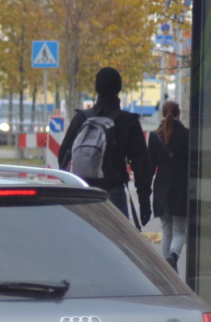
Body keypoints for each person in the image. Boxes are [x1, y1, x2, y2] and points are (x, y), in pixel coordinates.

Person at [58, 67, 152, 224]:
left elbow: (63, 155)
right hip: (113, 192)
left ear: (96, 88)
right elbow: (141, 165)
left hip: (82, 191)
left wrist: (69, 188)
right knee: (116, 243)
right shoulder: (127, 121)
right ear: (119, 88)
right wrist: (144, 202)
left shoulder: (81, 118)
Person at [148, 100, 189, 271]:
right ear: (179, 114)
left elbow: (150, 166)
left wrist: (144, 192)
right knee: (179, 231)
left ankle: (166, 271)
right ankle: (174, 255)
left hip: (162, 189)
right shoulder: (187, 135)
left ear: (163, 114)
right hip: (182, 188)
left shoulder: (154, 136)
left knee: (166, 231)